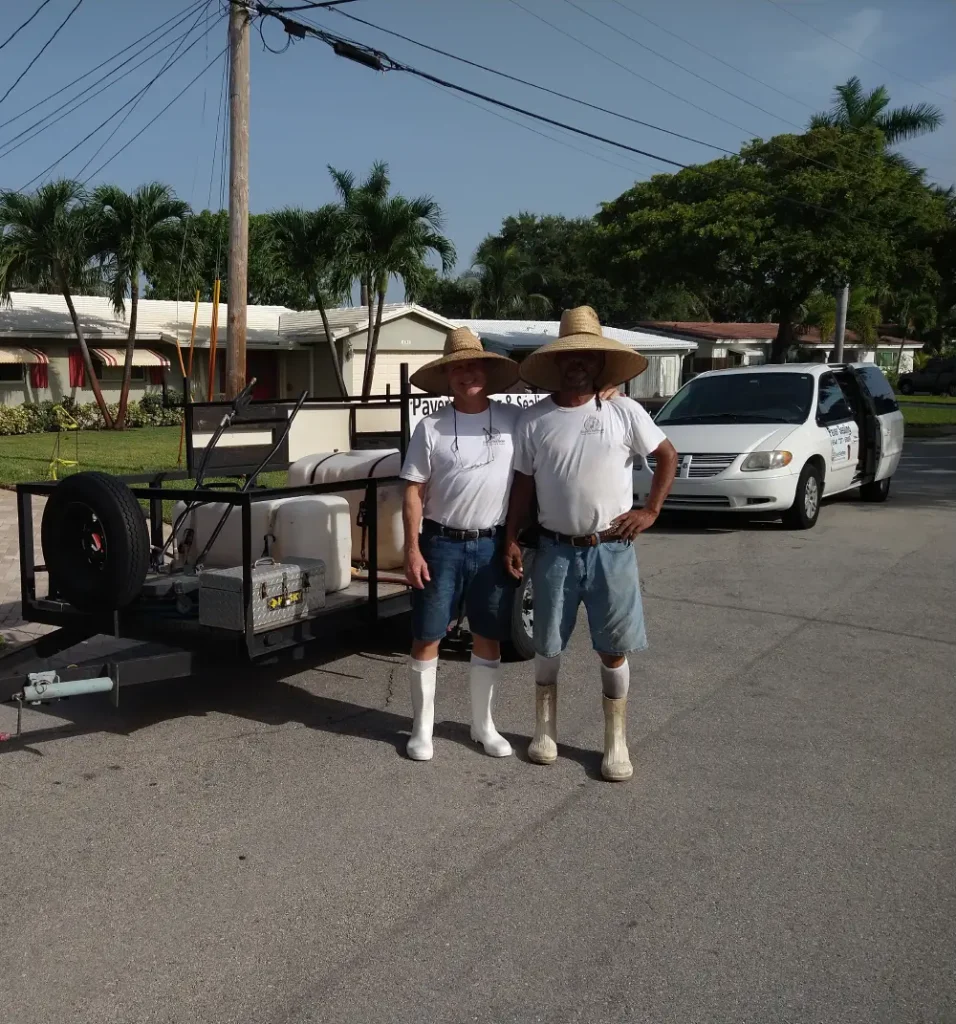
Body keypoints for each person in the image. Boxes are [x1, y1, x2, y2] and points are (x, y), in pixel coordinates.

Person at [503, 306, 678, 782]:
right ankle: (544, 732)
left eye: (588, 358)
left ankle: (615, 741)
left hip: (611, 549)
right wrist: (510, 536)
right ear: (558, 362)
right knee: (547, 644)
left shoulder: (624, 410)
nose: (578, 364)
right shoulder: (535, 420)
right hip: (554, 548)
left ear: (600, 364)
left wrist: (651, 511)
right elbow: (522, 484)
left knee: (613, 648)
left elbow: (666, 456)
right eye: (570, 357)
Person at [399, 327, 523, 762]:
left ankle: (483, 726)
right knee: (427, 634)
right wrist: (412, 548)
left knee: (488, 636)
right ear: (447, 376)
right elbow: (413, 490)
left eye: (472, 365)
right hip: (440, 543)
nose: (465, 374)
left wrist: (515, 539)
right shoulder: (429, 427)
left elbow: (528, 476)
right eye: (456, 368)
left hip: (491, 543)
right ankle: (422, 730)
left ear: (485, 371)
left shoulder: (513, 421)